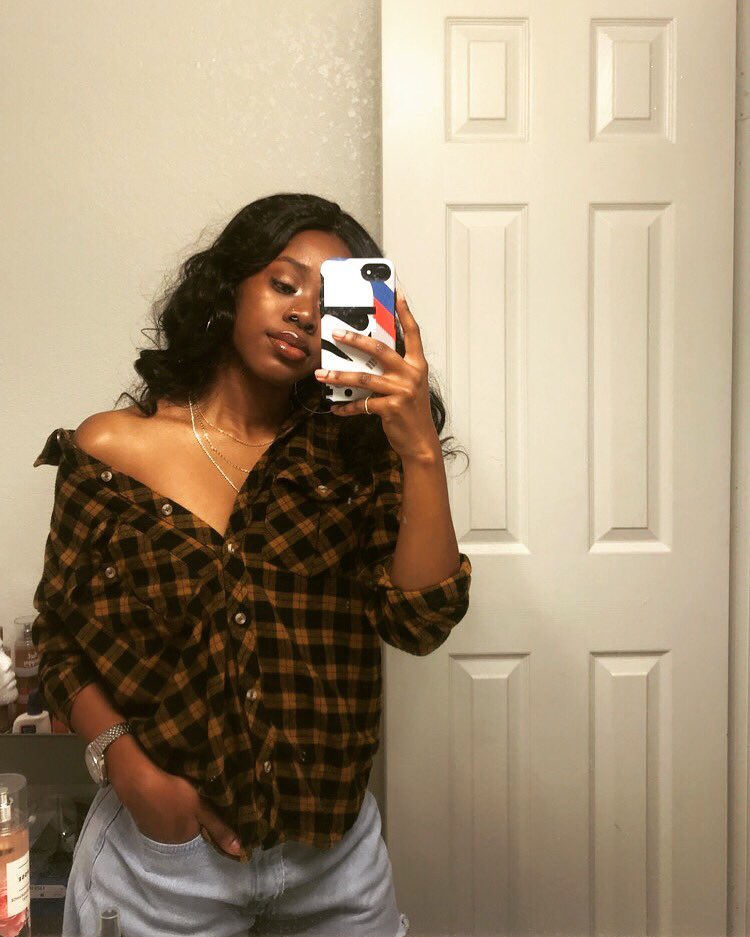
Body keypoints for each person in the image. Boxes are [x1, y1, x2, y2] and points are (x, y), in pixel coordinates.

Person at [31, 192, 472, 937]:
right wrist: (130, 769)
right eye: (283, 282)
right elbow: (60, 637)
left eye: (328, 301)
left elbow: (421, 623)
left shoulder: (354, 459)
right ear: (229, 287)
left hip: (335, 863)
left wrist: (418, 447)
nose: (303, 311)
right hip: (164, 862)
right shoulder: (111, 450)